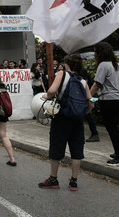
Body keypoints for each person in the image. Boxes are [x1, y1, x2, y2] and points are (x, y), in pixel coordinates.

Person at [38, 53, 93, 191]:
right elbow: (91, 104)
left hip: (62, 117)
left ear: (67, 64)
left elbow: (51, 90)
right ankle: (73, 182)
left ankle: (53, 179)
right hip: (77, 120)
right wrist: (81, 113)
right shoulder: (83, 81)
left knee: (57, 147)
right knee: (76, 150)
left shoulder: (62, 74)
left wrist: (46, 96)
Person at [90, 42, 119, 167]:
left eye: (95, 52)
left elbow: (97, 84)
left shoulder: (103, 65)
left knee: (112, 129)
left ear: (100, 53)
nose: (94, 54)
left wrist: (88, 98)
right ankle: (118, 152)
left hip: (109, 100)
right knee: (114, 128)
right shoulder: (116, 64)